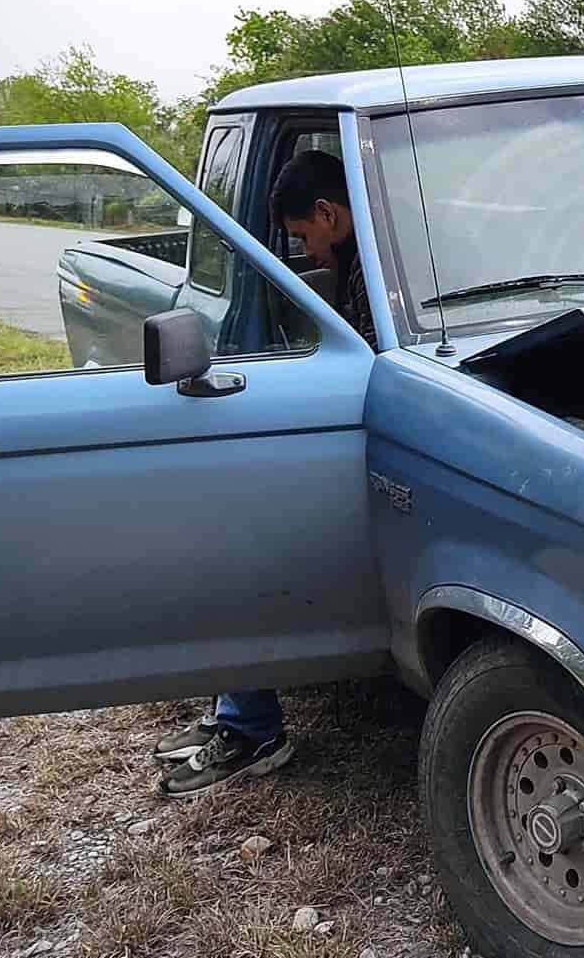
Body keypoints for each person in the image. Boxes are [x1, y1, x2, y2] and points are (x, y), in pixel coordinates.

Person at [154, 149, 376, 797]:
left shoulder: (374, 274)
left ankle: (248, 724)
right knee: (230, 547)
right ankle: (236, 711)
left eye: (303, 236)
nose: (305, 249)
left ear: (328, 213)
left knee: (236, 558)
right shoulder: (368, 262)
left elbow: (372, 369)